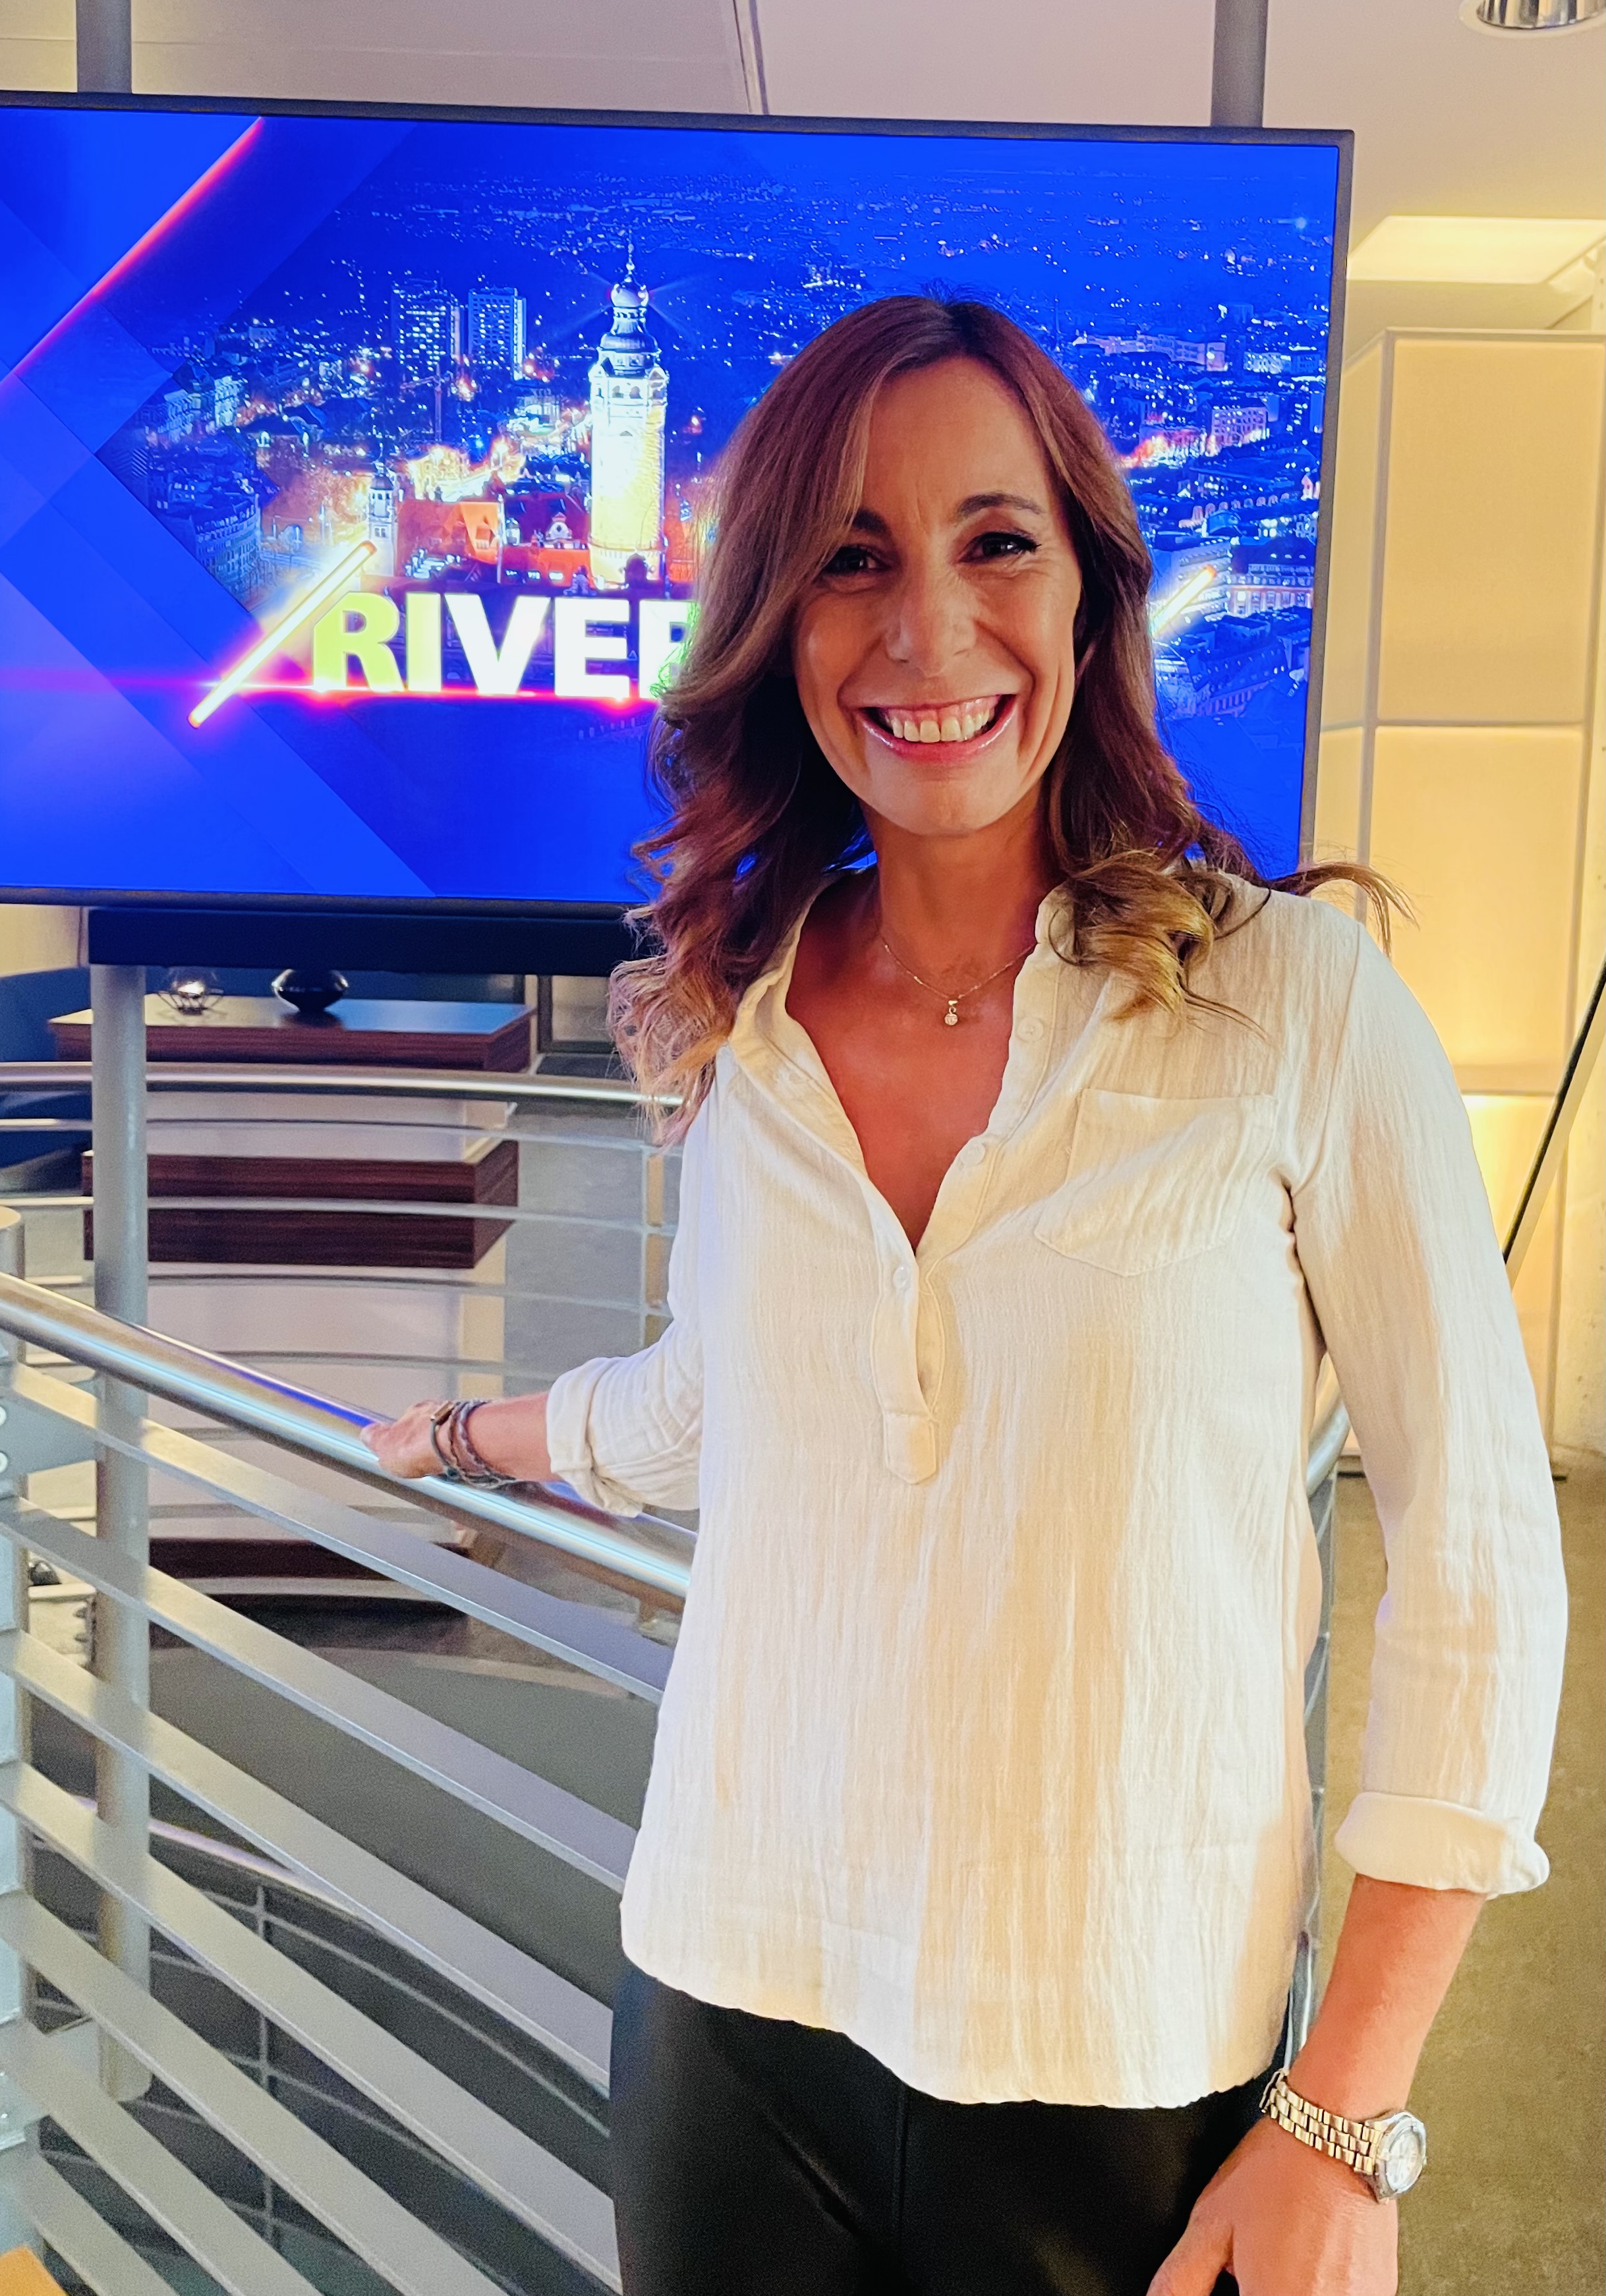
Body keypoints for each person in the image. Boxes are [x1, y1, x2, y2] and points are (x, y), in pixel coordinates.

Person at [364, 297, 1566, 2296]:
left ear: (1091, 587)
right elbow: (709, 1404)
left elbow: (1481, 1554)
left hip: (1123, 2049)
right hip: (731, 2001)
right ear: (779, 623)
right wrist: (465, 1432)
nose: (929, 631)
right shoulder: (734, 1023)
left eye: (995, 541)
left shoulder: (1295, 1008)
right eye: (853, 558)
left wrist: (1346, 2115)